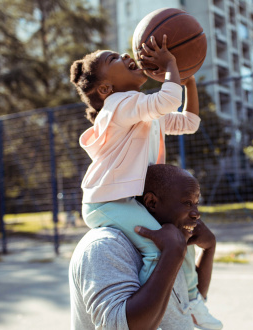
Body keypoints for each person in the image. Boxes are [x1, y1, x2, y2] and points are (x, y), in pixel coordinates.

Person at [69, 35, 222, 329]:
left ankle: (191, 303)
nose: (126, 56)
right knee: (161, 248)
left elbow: (189, 121)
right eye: (113, 59)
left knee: (182, 236)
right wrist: (170, 66)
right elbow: (167, 99)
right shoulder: (118, 104)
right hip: (107, 203)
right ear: (105, 88)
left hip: (125, 199)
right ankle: (151, 311)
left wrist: (187, 80)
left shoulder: (141, 112)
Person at [69, 164, 218, 329]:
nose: (196, 213)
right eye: (187, 203)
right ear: (151, 202)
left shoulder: (172, 239)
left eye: (196, 204)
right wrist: (171, 256)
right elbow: (120, 326)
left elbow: (188, 302)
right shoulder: (105, 246)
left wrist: (209, 248)